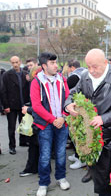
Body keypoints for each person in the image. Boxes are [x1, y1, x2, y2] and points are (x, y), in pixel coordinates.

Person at [65, 48, 111, 196]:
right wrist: (68, 104)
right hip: (90, 134)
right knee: (97, 172)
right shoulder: (84, 76)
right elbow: (73, 93)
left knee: (107, 175)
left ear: (105, 62)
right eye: (88, 66)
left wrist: (104, 118)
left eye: (95, 66)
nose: (91, 70)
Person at [30, 52, 70, 196]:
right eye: (52, 63)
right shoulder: (37, 82)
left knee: (60, 153)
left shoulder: (62, 79)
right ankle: (43, 183)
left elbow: (68, 100)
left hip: (62, 123)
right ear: (44, 66)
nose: (56, 65)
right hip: (45, 125)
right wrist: (53, 119)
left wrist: (64, 117)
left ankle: (61, 177)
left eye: (55, 62)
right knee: (45, 155)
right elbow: (36, 106)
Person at [1, 56, 30, 154]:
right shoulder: (6, 75)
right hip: (12, 105)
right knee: (11, 127)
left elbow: (29, 89)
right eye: (13, 62)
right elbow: (3, 91)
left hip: (23, 105)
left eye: (17, 62)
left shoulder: (25, 74)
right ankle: (12, 146)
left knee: (24, 124)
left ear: (20, 62)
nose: (15, 64)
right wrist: (6, 106)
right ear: (10, 63)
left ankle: (23, 141)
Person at [66, 59, 87, 170]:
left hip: (76, 109)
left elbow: (69, 91)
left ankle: (81, 159)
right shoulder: (83, 73)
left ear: (72, 67)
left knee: (78, 134)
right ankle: (77, 155)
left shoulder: (74, 77)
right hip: (79, 108)